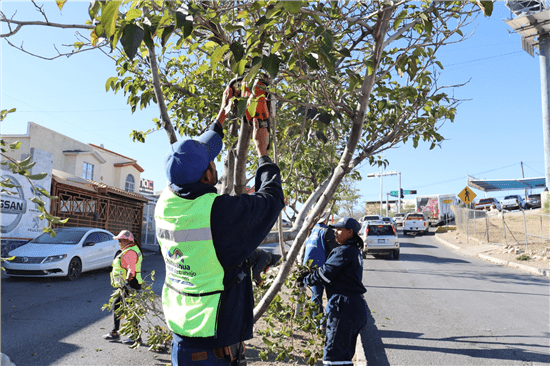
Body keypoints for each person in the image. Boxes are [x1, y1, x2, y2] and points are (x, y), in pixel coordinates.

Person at [155, 85, 285, 365]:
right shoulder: (218, 214)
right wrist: (263, 152)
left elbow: (195, 157)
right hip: (211, 347)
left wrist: (223, 112)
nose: (214, 162)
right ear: (207, 176)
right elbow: (272, 200)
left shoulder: (165, 202)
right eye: (211, 161)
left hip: (183, 334)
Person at [297, 217, 368, 365]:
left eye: (339, 229)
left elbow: (325, 273)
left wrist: (306, 279)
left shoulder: (344, 251)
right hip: (353, 307)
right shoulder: (353, 250)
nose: (335, 232)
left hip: (343, 307)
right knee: (343, 357)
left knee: (332, 358)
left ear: (350, 232)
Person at [103, 230, 143, 345]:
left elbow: (131, 270)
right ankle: (116, 332)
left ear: (127, 240)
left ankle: (134, 336)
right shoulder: (129, 250)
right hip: (128, 284)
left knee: (127, 309)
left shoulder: (130, 252)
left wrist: (127, 281)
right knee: (119, 306)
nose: (119, 242)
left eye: (120, 240)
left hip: (130, 284)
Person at [302, 213, 337, 313]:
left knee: (316, 298)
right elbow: (333, 251)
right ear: (325, 220)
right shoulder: (327, 231)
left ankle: (318, 324)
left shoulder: (311, 231)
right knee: (331, 297)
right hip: (324, 269)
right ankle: (330, 323)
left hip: (311, 269)